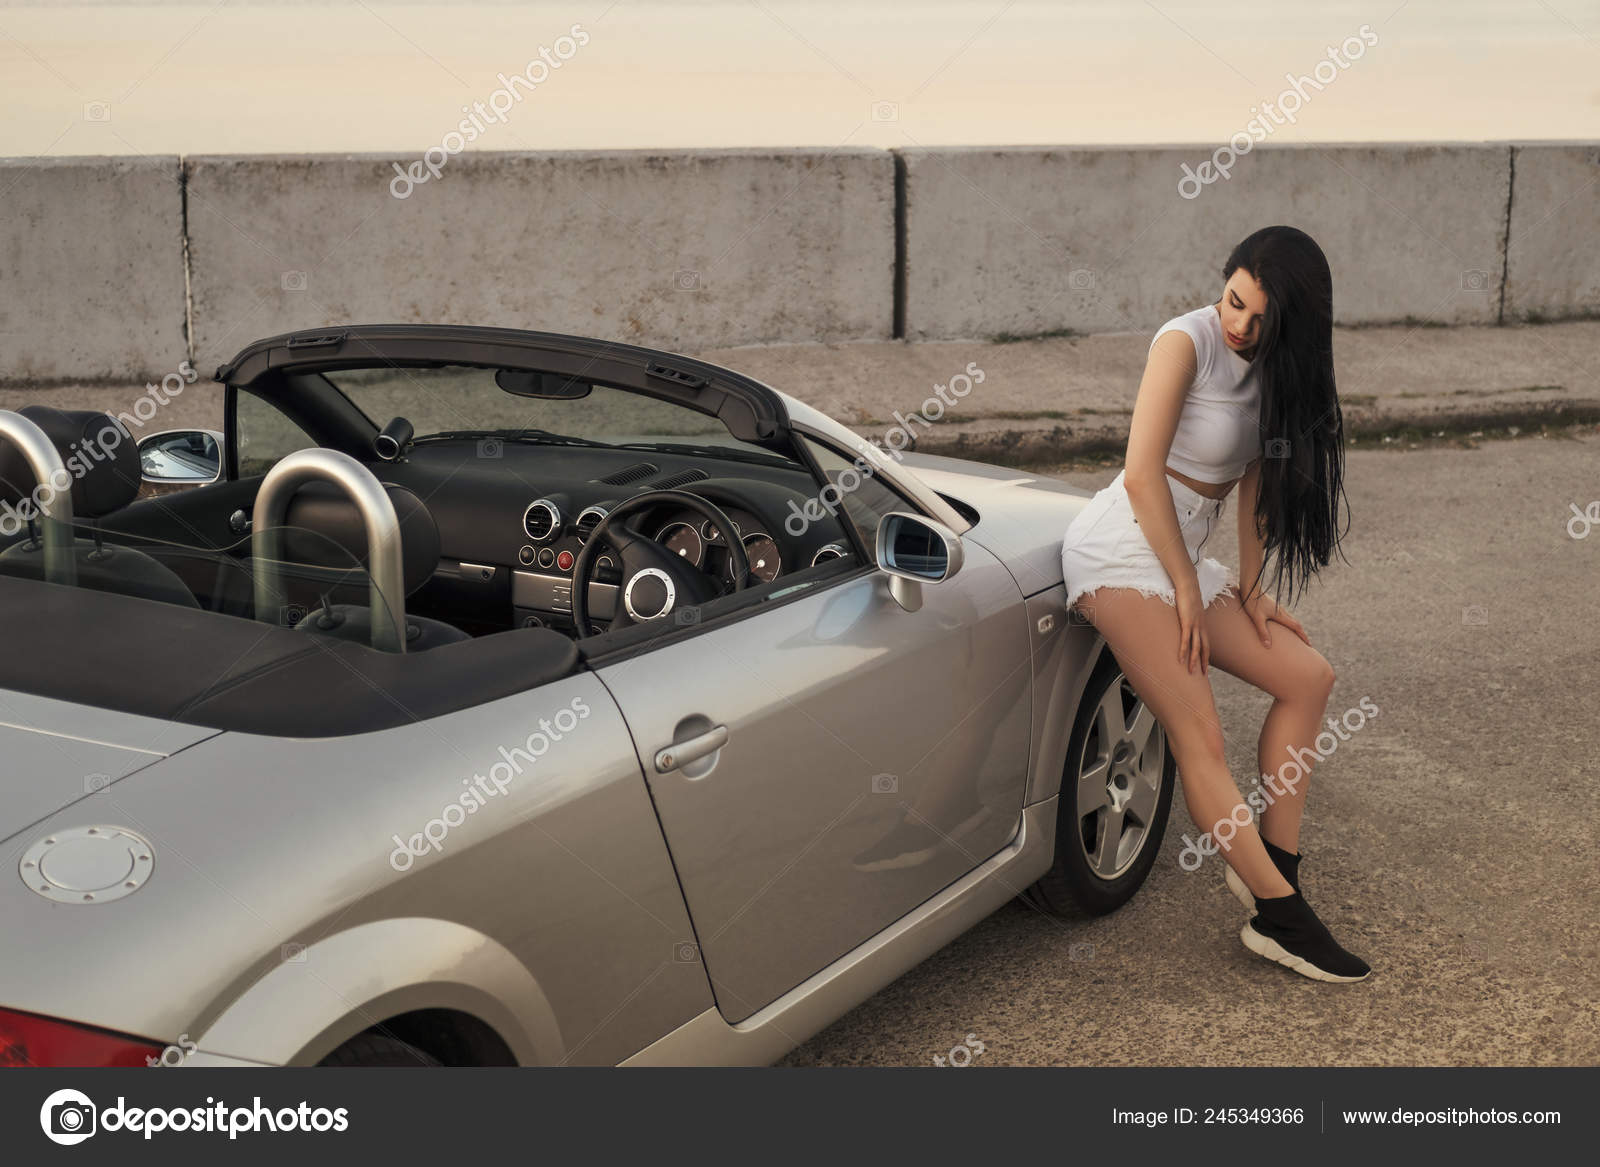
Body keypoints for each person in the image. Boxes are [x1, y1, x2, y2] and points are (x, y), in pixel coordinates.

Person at [1059, 225, 1369, 982]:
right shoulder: (1184, 342)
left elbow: (1257, 485)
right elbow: (1139, 476)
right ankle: (1282, 918)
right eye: (1235, 302)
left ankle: (1274, 867)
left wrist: (1253, 589)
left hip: (1186, 557)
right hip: (1122, 550)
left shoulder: (1274, 368)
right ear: (1223, 280)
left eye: (1261, 320)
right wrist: (1188, 589)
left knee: (1308, 676)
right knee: (1200, 735)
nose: (1240, 325)